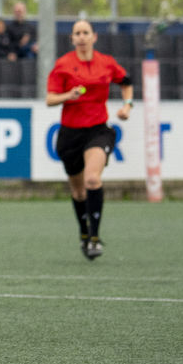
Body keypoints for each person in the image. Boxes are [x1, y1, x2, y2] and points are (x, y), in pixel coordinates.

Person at [45, 19, 133, 261]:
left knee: (93, 179)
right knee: (78, 191)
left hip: (98, 130)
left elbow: (126, 83)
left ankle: (94, 237)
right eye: (77, 33)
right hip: (70, 133)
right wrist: (68, 95)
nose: (82, 37)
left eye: (86, 32)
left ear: (94, 37)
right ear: (72, 39)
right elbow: (49, 99)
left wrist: (127, 106)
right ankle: (84, 232)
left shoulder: (106, 63)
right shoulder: (63, 65)